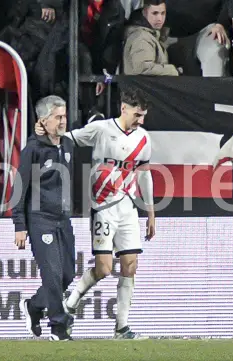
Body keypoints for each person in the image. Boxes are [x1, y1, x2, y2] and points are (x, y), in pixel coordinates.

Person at [55, 87, 156, 339]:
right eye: (137, 114)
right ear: (123, 108)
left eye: (143, 115)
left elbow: (144, 174)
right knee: (104, 268)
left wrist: (151, 212)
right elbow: (68, 138)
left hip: (128, 207)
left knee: (130, 266)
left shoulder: (143, 138)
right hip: (102, 208)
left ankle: (121, 327)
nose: (141, 120)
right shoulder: (101, 129)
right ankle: (71, 301)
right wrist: (45, 133)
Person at [14, 96, 76, 341]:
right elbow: (19, 188)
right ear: (43, 121)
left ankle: (33, 305)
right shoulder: (33, 149)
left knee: (67, 275)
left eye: (64, 116)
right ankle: (59, 328)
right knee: (51, 275)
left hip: (64, 219)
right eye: (58, 117)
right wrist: (19, 225)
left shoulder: (69, 144)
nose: (63, 121)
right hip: (40, 220)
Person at [122, 0, 183, 76]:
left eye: (163, 13)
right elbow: (143, 68)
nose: (159, 18)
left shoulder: (149, 34)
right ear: (144, 13)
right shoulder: (142, 37)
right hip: (140, 87)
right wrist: (172, 70)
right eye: (155, 13)